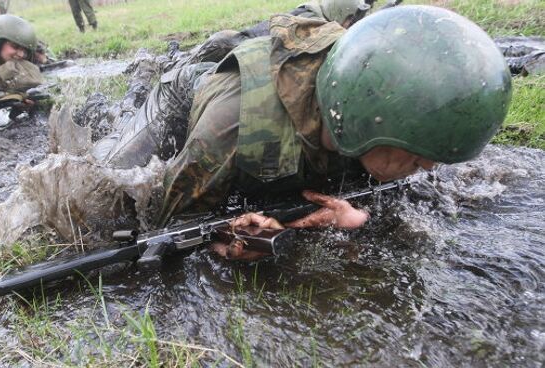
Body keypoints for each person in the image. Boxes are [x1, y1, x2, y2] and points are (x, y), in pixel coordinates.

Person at [91, 5, 511, 259]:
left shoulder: (362, 97)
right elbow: (171, 225)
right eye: (417, 157)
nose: (427, 167)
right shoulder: (231, 130)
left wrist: (340, 217)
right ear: (365, 122)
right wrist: (235, 234)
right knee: (103, 179)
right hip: (188, 93)